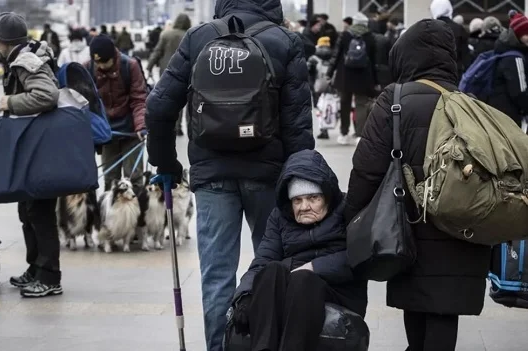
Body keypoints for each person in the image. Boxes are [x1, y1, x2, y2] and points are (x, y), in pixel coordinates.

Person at [145, 0, 315, 348]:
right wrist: (302, 183)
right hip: (268, 175)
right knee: (272, 270)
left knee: (216, 277)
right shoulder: (284, 41)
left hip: (211, 176)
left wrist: (166, 164)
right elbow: (298, 124)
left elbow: (158, 106)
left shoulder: (197, 38)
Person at [345, 19, 491, 351]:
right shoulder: (469, 104)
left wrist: (349, 220)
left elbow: (367, 169)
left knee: (417, 300)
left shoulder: (394, 100)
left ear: (405, 55)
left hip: (408, 224)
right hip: (460, 228)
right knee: (444, 309)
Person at [230, 149, 367, 350]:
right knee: (271, 271)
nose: (304, 206)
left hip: (337, 290)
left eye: (313, 198)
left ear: (327, 196)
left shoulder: (346, 209)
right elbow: (263, 259)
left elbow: (358, 258)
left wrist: (312, 267)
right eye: (297, 200)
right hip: (291, 286)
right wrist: (244, 296)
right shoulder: (279, 217)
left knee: (303, 279)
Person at [0, 12, 63, 298]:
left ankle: (50, 276)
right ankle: (35, 268)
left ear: (4, 42)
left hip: (40, 150)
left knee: (40, 211)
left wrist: (9, 102)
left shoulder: (27, 61)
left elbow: (46, 96)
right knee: (28, 210)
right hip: (31, 147)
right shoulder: (24, 56)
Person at [87, 35, 148, 190]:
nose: (101, 66)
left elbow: (139, 99)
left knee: (134, 179)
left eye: (104, 62)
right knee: (110, 180)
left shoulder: (130, 66)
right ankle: (109, 214)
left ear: (113, 57)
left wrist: (141, 125)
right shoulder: (88, 69)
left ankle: (138, 213)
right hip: (107, 132)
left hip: (131, 131)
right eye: (97, 62)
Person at [327, 12, 378, 145]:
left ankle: (344, 133)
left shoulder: (345, 35)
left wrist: (329, 73)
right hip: (364, 76)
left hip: (345, 76)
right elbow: (374, 60)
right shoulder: (370, 37)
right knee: (361, 105)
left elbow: (336, 55)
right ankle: (360, 135)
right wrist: (376, 80)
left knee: (345, 104)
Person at [146, 13, 191, 135]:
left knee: (170, 99)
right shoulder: (190, 35)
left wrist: (149, 66)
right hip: (186, 72)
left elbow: (157, 51)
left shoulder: (166, 34)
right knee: (185, 100)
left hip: (168, 71)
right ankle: (180, 126)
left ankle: (171, 125)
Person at [485, 11, 528, 128]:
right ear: (517, 35)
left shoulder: (503, 50)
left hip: (497, 111)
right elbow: (519, 91)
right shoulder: (514, 58)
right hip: (508, 115)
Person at [430, 0, 470, 81]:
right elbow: (466, 56)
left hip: (434, 75)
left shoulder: (429, 29)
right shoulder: (459, 29)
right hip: (455, 74)